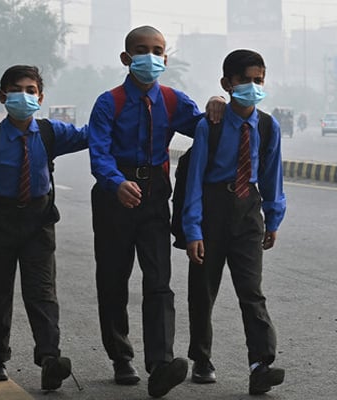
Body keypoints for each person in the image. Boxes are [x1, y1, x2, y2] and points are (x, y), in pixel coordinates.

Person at [88, 25, 225, 398]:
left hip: (154, 196)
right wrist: (116, 183)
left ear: (165, 58)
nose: (150, 56)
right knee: (114, 279)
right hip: (114, 196)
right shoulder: (108, 102)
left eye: (157, 50)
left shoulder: (172, 100)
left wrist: (217, 102)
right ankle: (121, 356)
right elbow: (98, 154)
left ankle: (161, 363)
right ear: (126, 58)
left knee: (159, 281)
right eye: (142, 49)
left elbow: (205, 127)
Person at [0, 65, 88, 391]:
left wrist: (112, 111)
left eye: (31, 90)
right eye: (17, 90)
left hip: (37, 223)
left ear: (41, 97)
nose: (24, 96)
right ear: (3, 96)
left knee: (42, 293)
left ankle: (49, 359)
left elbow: (91, 134)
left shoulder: (50, 133)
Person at [182, 49, 286, 395]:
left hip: (248, 213)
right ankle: (202, 359)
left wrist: (272, 219)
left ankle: (261, 364)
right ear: (227, 84)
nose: (253, 87)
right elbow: (195, 180)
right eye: (245, 81)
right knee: (203, 290)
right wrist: (192, 230)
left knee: (251, 293)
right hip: (212, 209)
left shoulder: (269, 126)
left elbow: (272, 177)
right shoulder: (208, 126)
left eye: (258, 81)